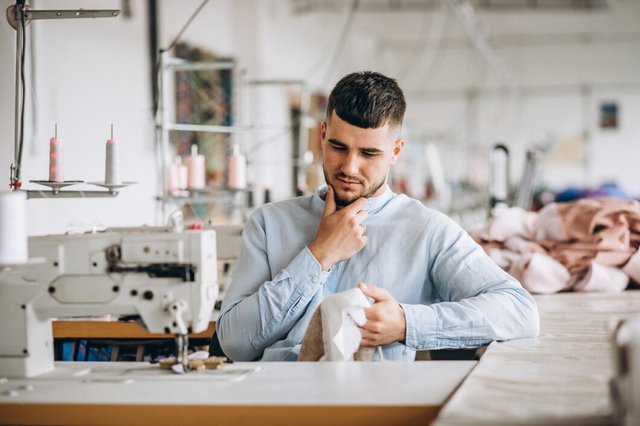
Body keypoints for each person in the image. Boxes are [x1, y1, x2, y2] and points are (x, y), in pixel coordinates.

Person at [216, 71, 539, 362]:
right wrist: (318, 256)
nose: (349, 167)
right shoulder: (269, 224)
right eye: (338, 147)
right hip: (274, 405)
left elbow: (520, 312)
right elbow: (235, 344)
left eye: (369, 153)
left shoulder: (427, 230)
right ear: (323, 134)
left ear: (396, 151)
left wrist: (406, 323)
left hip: (374, 406)